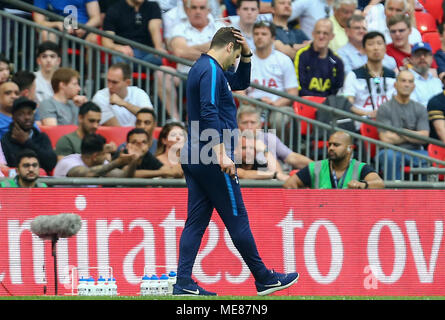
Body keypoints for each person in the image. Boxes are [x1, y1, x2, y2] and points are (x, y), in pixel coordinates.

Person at [175, 27, 299, 296]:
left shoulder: (206, 68)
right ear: (229, 47)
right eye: (236, 55)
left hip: (195, 154)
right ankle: (264, 277)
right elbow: (208, 109)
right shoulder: (210, 69)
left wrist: (248, 56)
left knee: (195, 222)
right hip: (210, 154)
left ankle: (183, 282)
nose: (235, 61)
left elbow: (241, 83)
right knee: (237, 219)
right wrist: (220, 152)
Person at [160, 0, 227, 121]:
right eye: (194, 8)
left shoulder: (220, 27)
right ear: (188, 10)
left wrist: (189, 49)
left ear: (208, 10)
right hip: (185, 75)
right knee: (161, 73)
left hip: (212, 76)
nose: (198, 11)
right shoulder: (179, 27)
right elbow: (179, 52)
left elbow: (226, 53)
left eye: (202, 8)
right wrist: (211, 49)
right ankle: (176, 120)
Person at [243, 21, 299, 134]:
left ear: (273, 38)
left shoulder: (283, 60)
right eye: (256, 34)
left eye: (264, 34)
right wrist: (250, 102)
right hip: (252, 104)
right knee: (243, 116)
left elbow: (293, 93)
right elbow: (239, 89)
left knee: (278, 120)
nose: (259, 37)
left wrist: (275, 104)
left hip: (278, 106)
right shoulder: (245, 60)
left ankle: (276, 150)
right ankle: (247, 150)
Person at [376, 69, 430, 180]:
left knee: (427, 157)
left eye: (410, 82)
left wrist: (401, 132)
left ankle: (424, 195)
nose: (407, 84)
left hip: (415, 152)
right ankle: (394, 194)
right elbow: (386, 138)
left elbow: (424, 137)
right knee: (389, 156)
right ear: (395, 85)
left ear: (414, 86)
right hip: (390, 151)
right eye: (403, 81)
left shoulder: (420, 108)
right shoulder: (384, 108)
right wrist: (413, 135)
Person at [283, 131, 384, 188]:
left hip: (350, 219)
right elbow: (289, 184)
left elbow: (380, 184)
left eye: (336, 145)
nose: (331, 148)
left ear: (350, 149)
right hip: (320, 219)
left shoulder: (360, 168)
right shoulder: (316, 167)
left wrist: (362, 185)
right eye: (329, 144)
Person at [343, 31, 396, 129]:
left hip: (388, 123)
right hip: (362, 124)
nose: (376, 48)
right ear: (364, 49)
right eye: (371, 44)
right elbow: (348, 104)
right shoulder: (353, 75)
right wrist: (369, 114)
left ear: (385, 48)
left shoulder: (392, 75)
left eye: (379, 44)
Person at [236, 103, 312, 170]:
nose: (249, 126)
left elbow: (291, 157)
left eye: (253, 122)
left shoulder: (269, 138)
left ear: (260, 125)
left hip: (271, 180)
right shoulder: (233, 140)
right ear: (238, 125)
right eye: (245, 122)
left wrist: (317, 166)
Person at [0, 97, 57, 174]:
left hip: (42, 181)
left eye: (30, 113)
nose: (27, 117)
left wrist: (26, 141)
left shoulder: (42, 137)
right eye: (21, 114)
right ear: (13, 117)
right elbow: (12, 165)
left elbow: (51, 164)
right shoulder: (6, 139)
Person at [102, 0, 165, 66]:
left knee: (159, 60)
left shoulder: (153, 6)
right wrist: (119, 47)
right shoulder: (114, 9)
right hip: (126, 55)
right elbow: (106, 42)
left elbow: (154, 28)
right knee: (118, 60)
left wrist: (158, 47)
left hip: (148, 53)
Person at [294, 18, 345, 97]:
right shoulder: (302, 55)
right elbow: (299, 87)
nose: (321, 36)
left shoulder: (337, 61)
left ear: (332, 36)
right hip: (305, 103)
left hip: (328, 106)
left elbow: (338, 90)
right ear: (313, 34)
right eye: (318, 32)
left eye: (325, 33)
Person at [92, 62, 153, 126]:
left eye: (114, 82)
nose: (109, 86)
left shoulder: (138, 93)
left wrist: (124, 104)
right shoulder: (100, 97)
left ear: (127, 82)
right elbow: (115, 129)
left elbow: (150, 117)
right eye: (108, 81)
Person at [53, 133, 139, 178]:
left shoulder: (101, 164)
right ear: (95, 156)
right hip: (62, 206)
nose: (106, 156)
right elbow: (88, 173)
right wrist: (118, 162)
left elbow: (123, 176)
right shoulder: (68, 162)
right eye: (104, 153)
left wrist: (133, 160)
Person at [32, 0, 101, 43]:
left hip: (84, 28)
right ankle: (52, 66)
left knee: (94, 39)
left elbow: (96, 18)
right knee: (46, 34)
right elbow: (39, 22)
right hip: (59, 30)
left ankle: (91, 67)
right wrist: (56, 24)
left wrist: (85, 27)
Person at [408, 42, 443, 108]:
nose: (422, 57)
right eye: (418, 55)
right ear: (411, 59)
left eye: (426, 54)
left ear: (432, 58)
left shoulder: (437, 82)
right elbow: (412, 109)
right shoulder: (406, 80)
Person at [34, 41, 61, 105]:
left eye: (52, 56)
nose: (48, 60)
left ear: (58, 61)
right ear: (38, 60)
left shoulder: (63, 81)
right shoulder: (32, 79)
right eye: (44, 56)